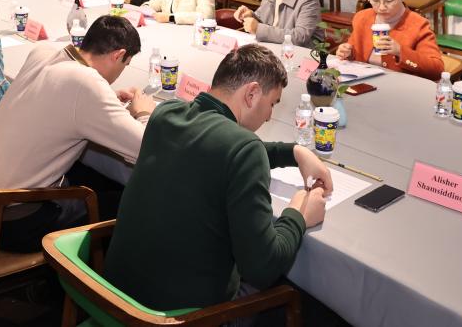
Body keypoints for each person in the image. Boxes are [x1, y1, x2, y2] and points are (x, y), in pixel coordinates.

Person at [104, 44, 330, 311]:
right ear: (252, 93)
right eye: (272, 104)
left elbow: (218, 148)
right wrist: (298, 216)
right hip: (183, 317)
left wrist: (294, 152)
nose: (270, 116)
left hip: (113, 300)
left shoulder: (166, 114)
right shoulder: (245, 149)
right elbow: (263, 268)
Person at [0, 16, 155, 252]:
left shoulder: (43, 52)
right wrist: (143, 113)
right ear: (118, 55)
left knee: (92, 174)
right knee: (130, 202)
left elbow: (56, 100)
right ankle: (79, 272)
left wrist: (107, 101)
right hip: (11, 221)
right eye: (125, 64)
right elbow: (146, 147)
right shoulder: (86, 85)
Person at [336, 0, 443, 81]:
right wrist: (348, 53)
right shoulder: (362, 17)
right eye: (375, 0)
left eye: (389, 0)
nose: (382, 7)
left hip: (399, 86)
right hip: (364, 83)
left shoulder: (418, 24)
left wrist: (400, 51)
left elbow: (437, 70)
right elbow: (356, 53)